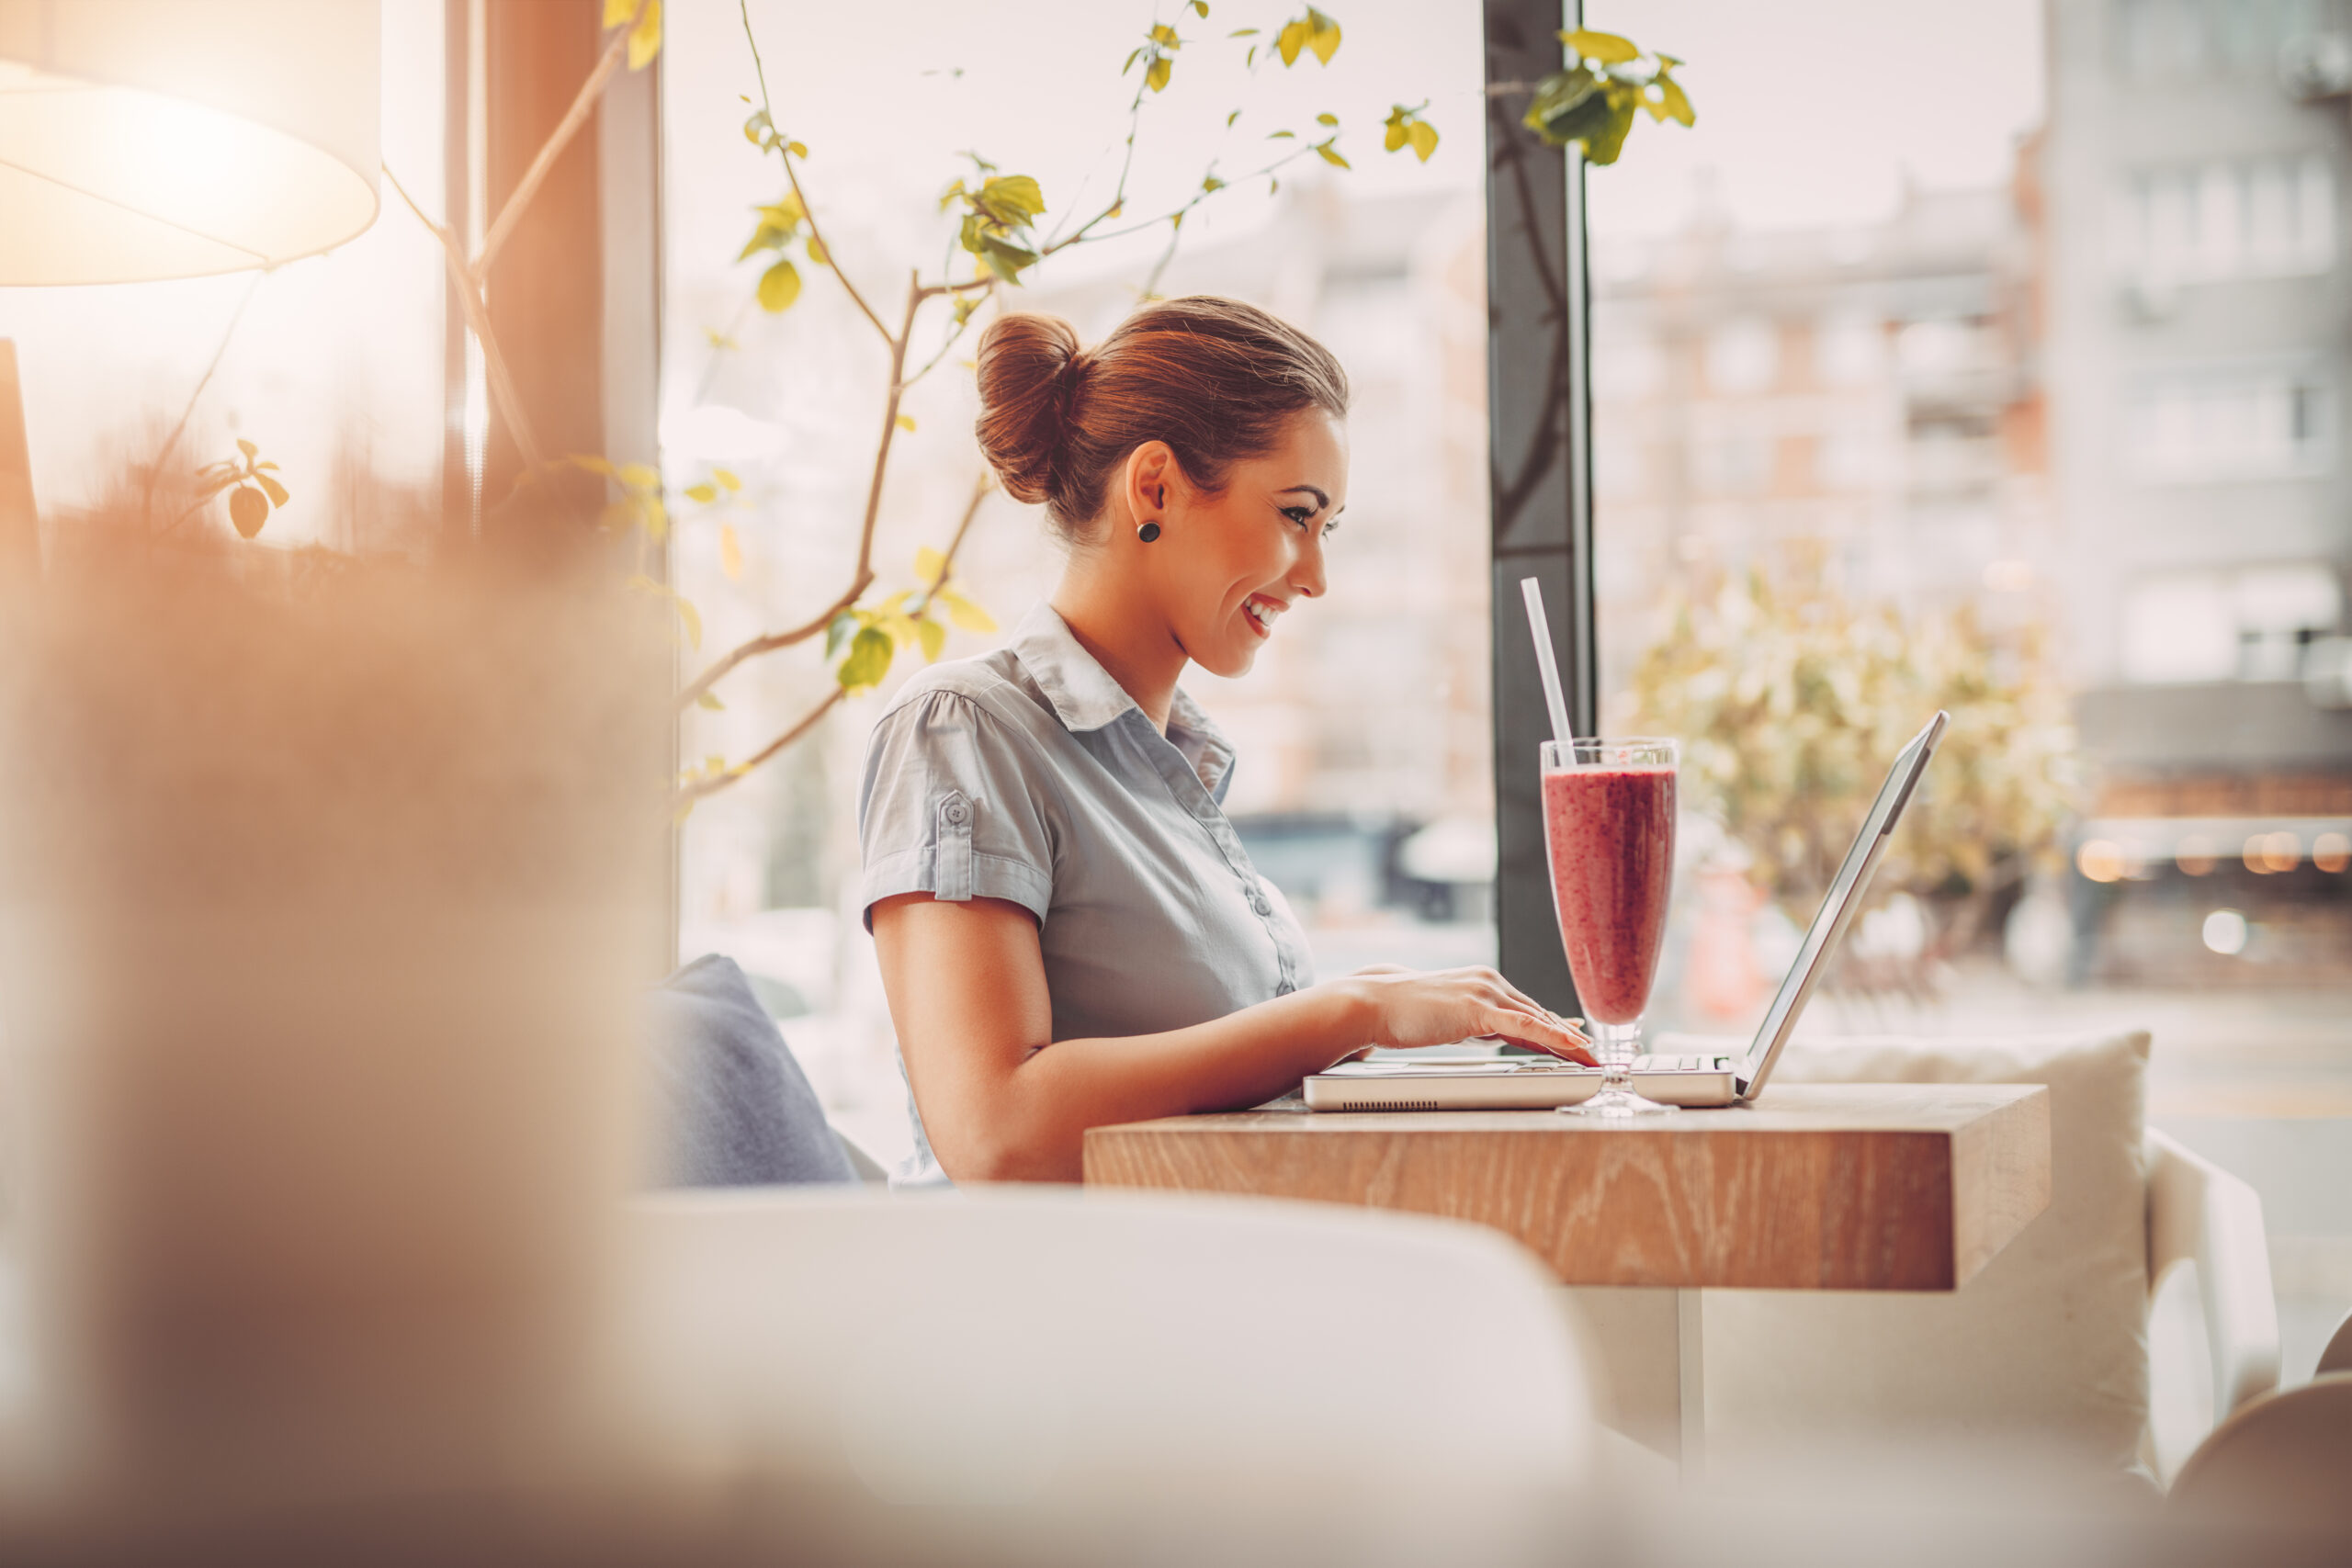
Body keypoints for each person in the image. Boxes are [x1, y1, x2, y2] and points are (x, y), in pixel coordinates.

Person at [860, 297, 1591, 1184]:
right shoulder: (965, 727)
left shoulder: (1171, 774)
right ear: (1155, 486)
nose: (1316, 576)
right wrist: (1353, 1011)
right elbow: (995, 1130)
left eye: (1328, 529)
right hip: (1043, 1311)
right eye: (1296, 515)